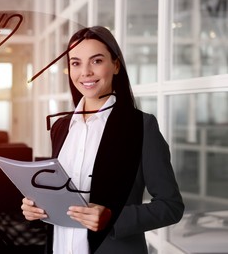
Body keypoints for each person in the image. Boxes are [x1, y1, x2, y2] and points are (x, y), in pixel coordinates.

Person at [21, 26, 184, 254]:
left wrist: (113, 217)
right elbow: (60, 194)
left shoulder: (141, 127)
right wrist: (36, 207)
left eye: (96, 61)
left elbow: (171, 206)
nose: (85, 72)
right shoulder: (60, 127)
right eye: (76, 63)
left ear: (116, 65)